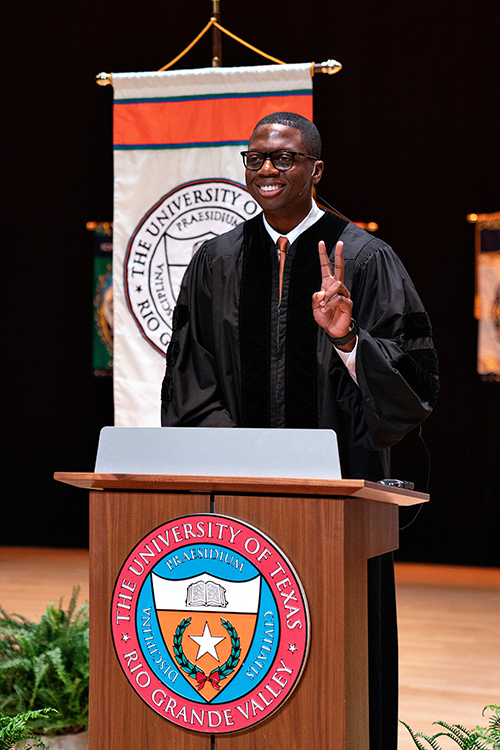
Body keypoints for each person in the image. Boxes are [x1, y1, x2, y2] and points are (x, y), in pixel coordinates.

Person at [161, 111, 440, 750]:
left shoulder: (364, 257)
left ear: (315, 170)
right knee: (251, 665)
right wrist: (248, 458)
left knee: (336, 655)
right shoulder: (217, 260)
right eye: (255, 157)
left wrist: (346, 338)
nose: (265, 169)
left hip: (340, 501)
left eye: (282, 159)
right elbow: (188, 380)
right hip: (239, 507)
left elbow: (416, 382)